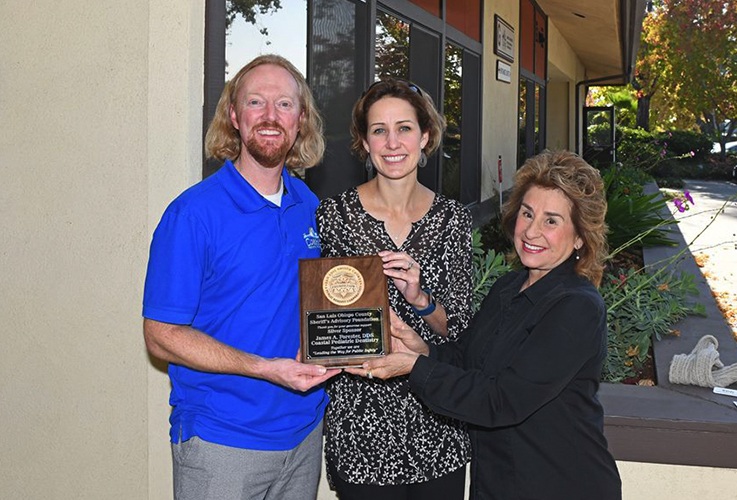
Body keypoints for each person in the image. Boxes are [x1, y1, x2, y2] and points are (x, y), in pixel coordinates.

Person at [357, 150, 622, 500]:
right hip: (500, 482)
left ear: (579, 238)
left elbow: (501, 399)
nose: (531, 230)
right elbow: (469, 360)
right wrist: (420, 348)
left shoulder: (577, 307)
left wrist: (413, 367)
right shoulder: (508, 288)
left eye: (551, 221)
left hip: (560, 483)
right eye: (527, 213)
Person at [142, 54, 340, 500]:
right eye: (256, 102)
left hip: (304, 434)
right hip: (222, 440)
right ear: (234, 115)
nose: (271, 116)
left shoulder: (308, 205)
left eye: (284, 104)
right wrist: (265, 368)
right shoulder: (193, 214)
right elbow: (160, 336)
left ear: (301, 118)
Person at [315, 78, 473, 499]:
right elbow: (324, 324)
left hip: (436, 424)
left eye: (404, 128)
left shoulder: (452, 221)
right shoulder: (334, 217)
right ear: (364, 143)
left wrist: (420, 298)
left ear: (425, 136)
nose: (392, 142)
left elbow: (458, 332)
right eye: (378, 130)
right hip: (360, 427)